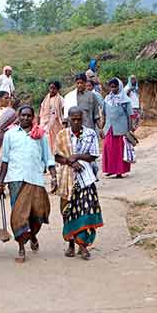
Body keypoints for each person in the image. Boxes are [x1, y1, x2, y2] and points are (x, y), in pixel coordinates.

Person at [0, 105, 57, 263]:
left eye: (29, 116)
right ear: (18, 116)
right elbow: (5, 160)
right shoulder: (10, 135)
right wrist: (0, 182)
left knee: (37, 214)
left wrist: (54, 176)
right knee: (19, 215)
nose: (25, 118)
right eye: (23, 115)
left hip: (36, 179)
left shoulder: (40, 135)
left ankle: (33, 235)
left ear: (33, 117)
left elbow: (48, 157)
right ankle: (21, 248)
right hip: (15, 179)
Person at [55, 107, 103, 260]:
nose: (76, 122)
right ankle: (70, 243)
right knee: (67, 211)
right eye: (73, 119)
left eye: (79, 119)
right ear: (68, 119)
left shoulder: (90, 133)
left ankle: (82, 245)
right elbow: (57, 157)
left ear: (82, 119)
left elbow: (93, 155)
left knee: (86, 211)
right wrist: (70, 162)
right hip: (67, 179)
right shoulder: (62, 135)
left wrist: (77, 156)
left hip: (85, 178)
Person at [102, 78, 133, 178]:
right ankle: (111, 169)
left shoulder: (126, 100)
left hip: (121, 129)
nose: (113, 89)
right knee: (108, 148)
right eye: (111, 87)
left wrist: (130, 129)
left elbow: (129, 116)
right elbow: (104, 114)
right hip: (109, 128)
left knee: (119, 151)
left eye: (115, 87)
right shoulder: (107, 99)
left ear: (119, 87)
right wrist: (102, 128)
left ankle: (119, 171)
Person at [39, 81, 64, 154]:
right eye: (50, 88)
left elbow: (62, 112)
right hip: (45, 124)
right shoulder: (46, 99)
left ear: (58, 89)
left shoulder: (61, 100)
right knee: (46, 141)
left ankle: (55, 156)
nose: (52, 90)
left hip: (56, 124)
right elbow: (41, 111)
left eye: (54, 88)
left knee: (56, 141)